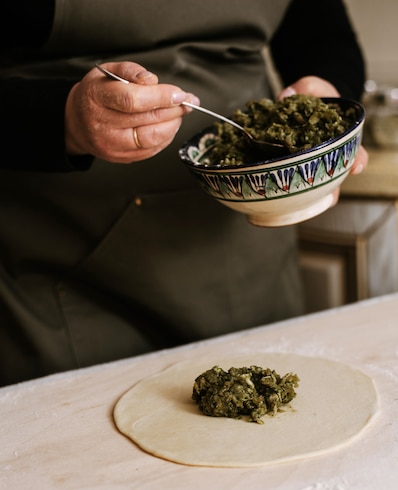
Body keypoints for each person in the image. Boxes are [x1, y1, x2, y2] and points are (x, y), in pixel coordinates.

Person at [0, 0, 367, 386]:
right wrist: (66, 118)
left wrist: (325, 105)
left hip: (243, 241)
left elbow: (323, 36)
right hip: (66, 263)